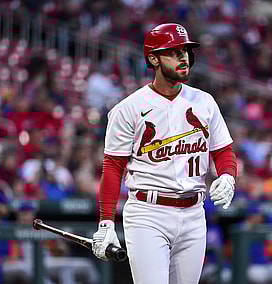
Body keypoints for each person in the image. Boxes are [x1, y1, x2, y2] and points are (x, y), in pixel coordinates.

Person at [92, 23, 237, 284]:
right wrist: (106, 222)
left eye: (186, 51)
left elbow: (223, 149)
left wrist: (227, 176)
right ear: (153, 58)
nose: (183, 57)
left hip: (194, 212)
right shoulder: (129, 108)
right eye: (174, 52)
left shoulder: (204, 102)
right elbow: (113, 167)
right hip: (148, 213)